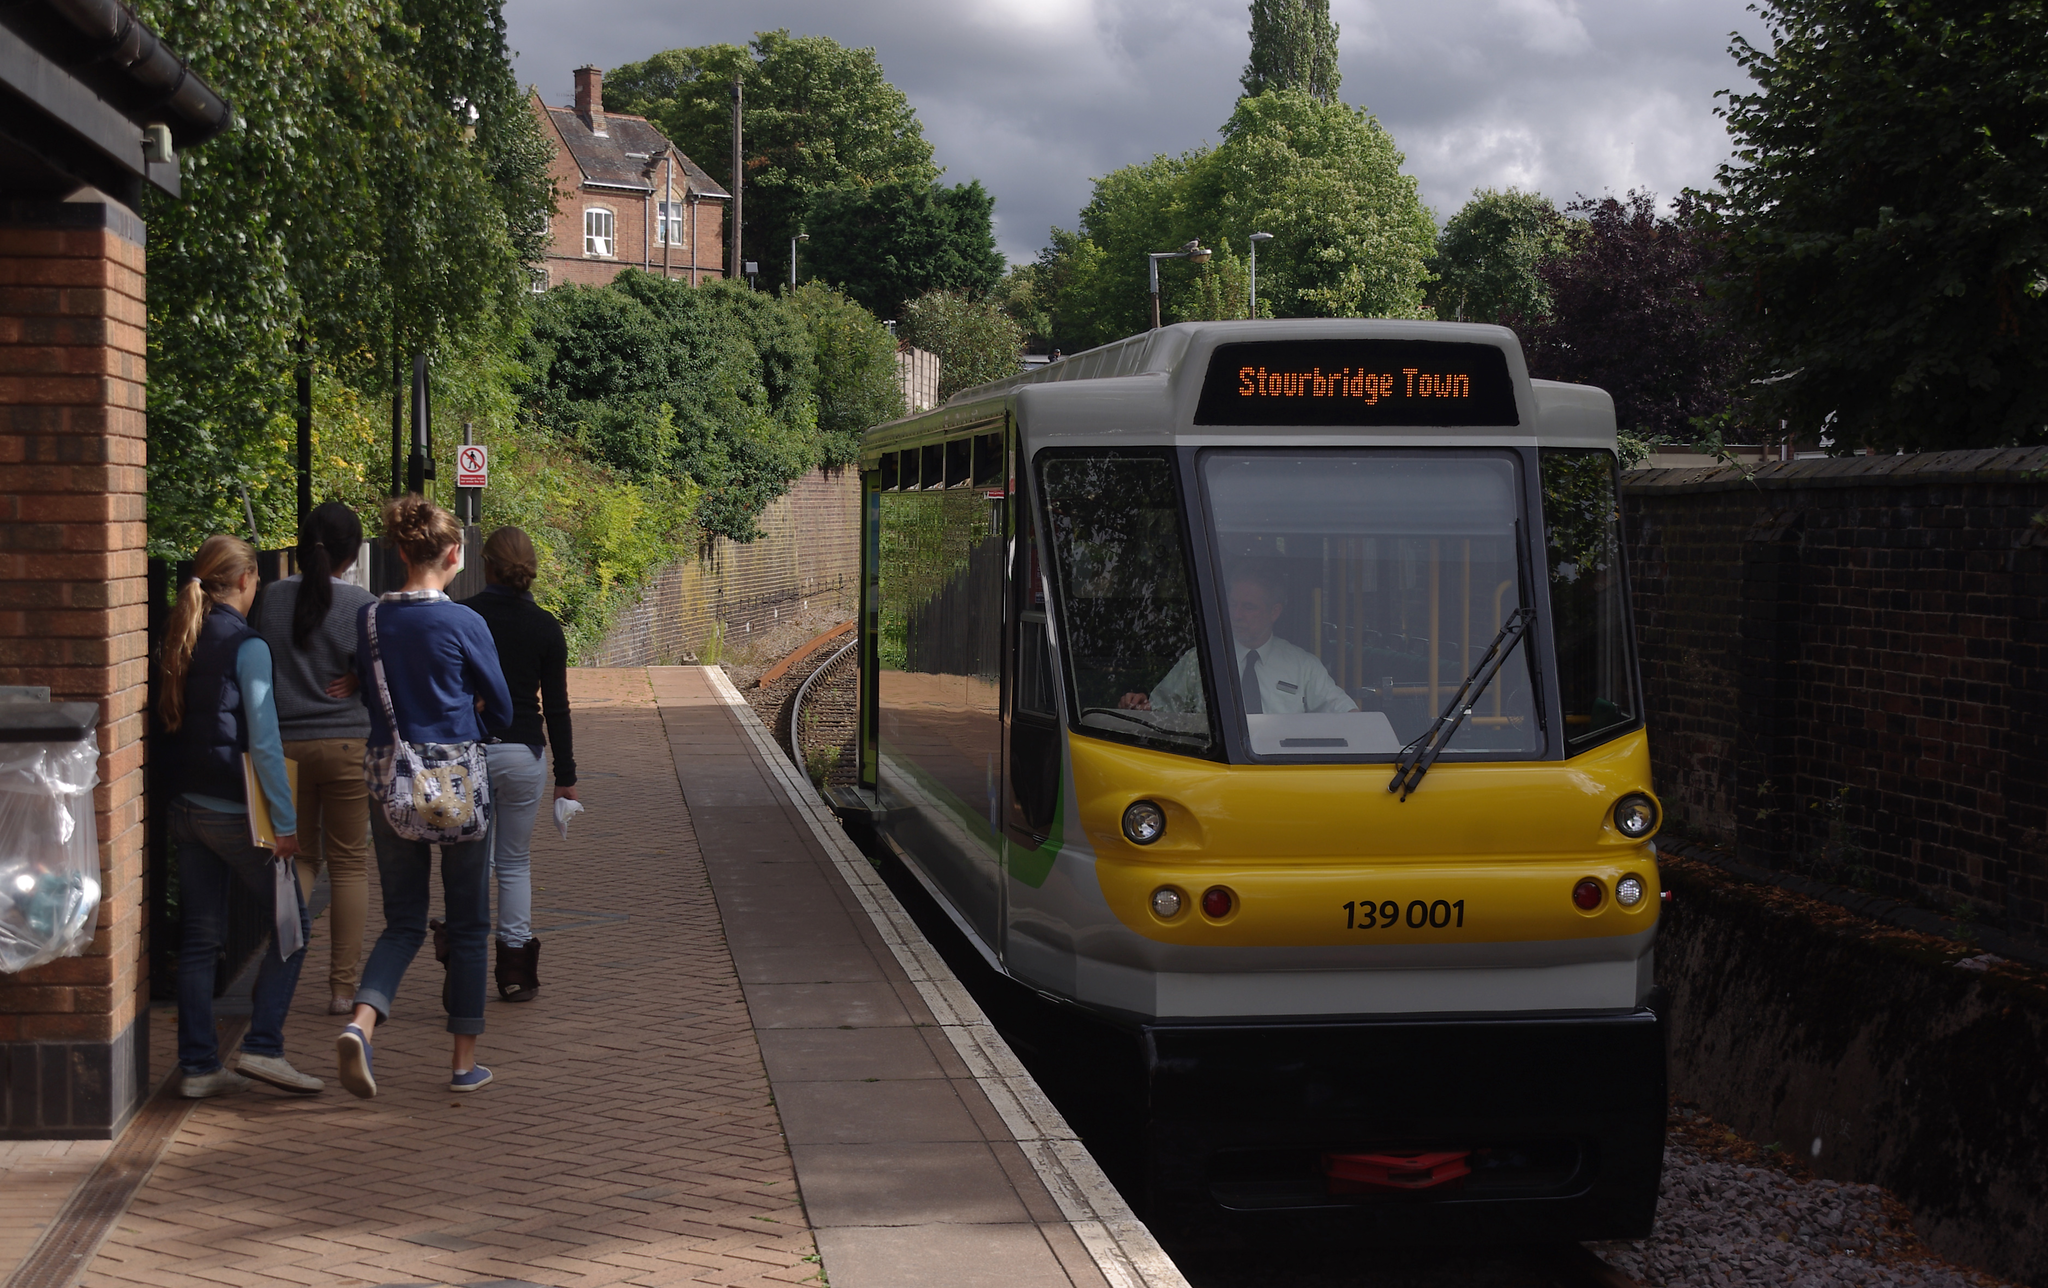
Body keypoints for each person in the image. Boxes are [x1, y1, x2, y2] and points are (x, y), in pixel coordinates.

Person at [336, 496, 512, 1098]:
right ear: (454, 555)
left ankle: (362, 1025)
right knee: (467, 925)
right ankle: (463, 1065)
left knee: (403, 922)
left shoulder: (368, 619)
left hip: (392, 781)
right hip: (459, 785)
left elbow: (367, 688)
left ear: (401, 552)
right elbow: (504, 706)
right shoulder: (466, 623)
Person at [160, 535, 322, 1098]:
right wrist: (284, 822)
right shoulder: (247, 646)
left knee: (201, 940)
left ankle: (199, 1067)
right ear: (248, 582)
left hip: (185, 808)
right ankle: (264, 1047)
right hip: (234, 812)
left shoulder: (183, 635)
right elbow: (265, 742)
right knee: (292, 928)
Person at [252, 502, 375, 1016]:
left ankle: (283, 974)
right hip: (348, 745)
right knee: (348, 865)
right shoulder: (363, 606)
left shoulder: (271, 600)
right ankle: (343, 990)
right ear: (354, 554)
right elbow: (382, 673)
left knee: (298, 859)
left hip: (284, 748)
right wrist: (357, 679)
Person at [460, 526, 578, 1003]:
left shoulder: (463, 616)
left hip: (472, 752)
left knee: (469, 862)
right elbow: (557, 706)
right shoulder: (546, 626)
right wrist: (566, 777)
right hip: (524, 753)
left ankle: (462, 964)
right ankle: (514, 971)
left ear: (485, 565)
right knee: (513, 863)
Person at [1121, 564, 1354, 716]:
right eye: (1233, 604)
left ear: (1274, 612)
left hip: (1284, 777)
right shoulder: (1200, 661)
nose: (1237, 614)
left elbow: (1345, 713)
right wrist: (1138, 707)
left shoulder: (1303, 666)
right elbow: (1159, 714)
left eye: (1248, 607)